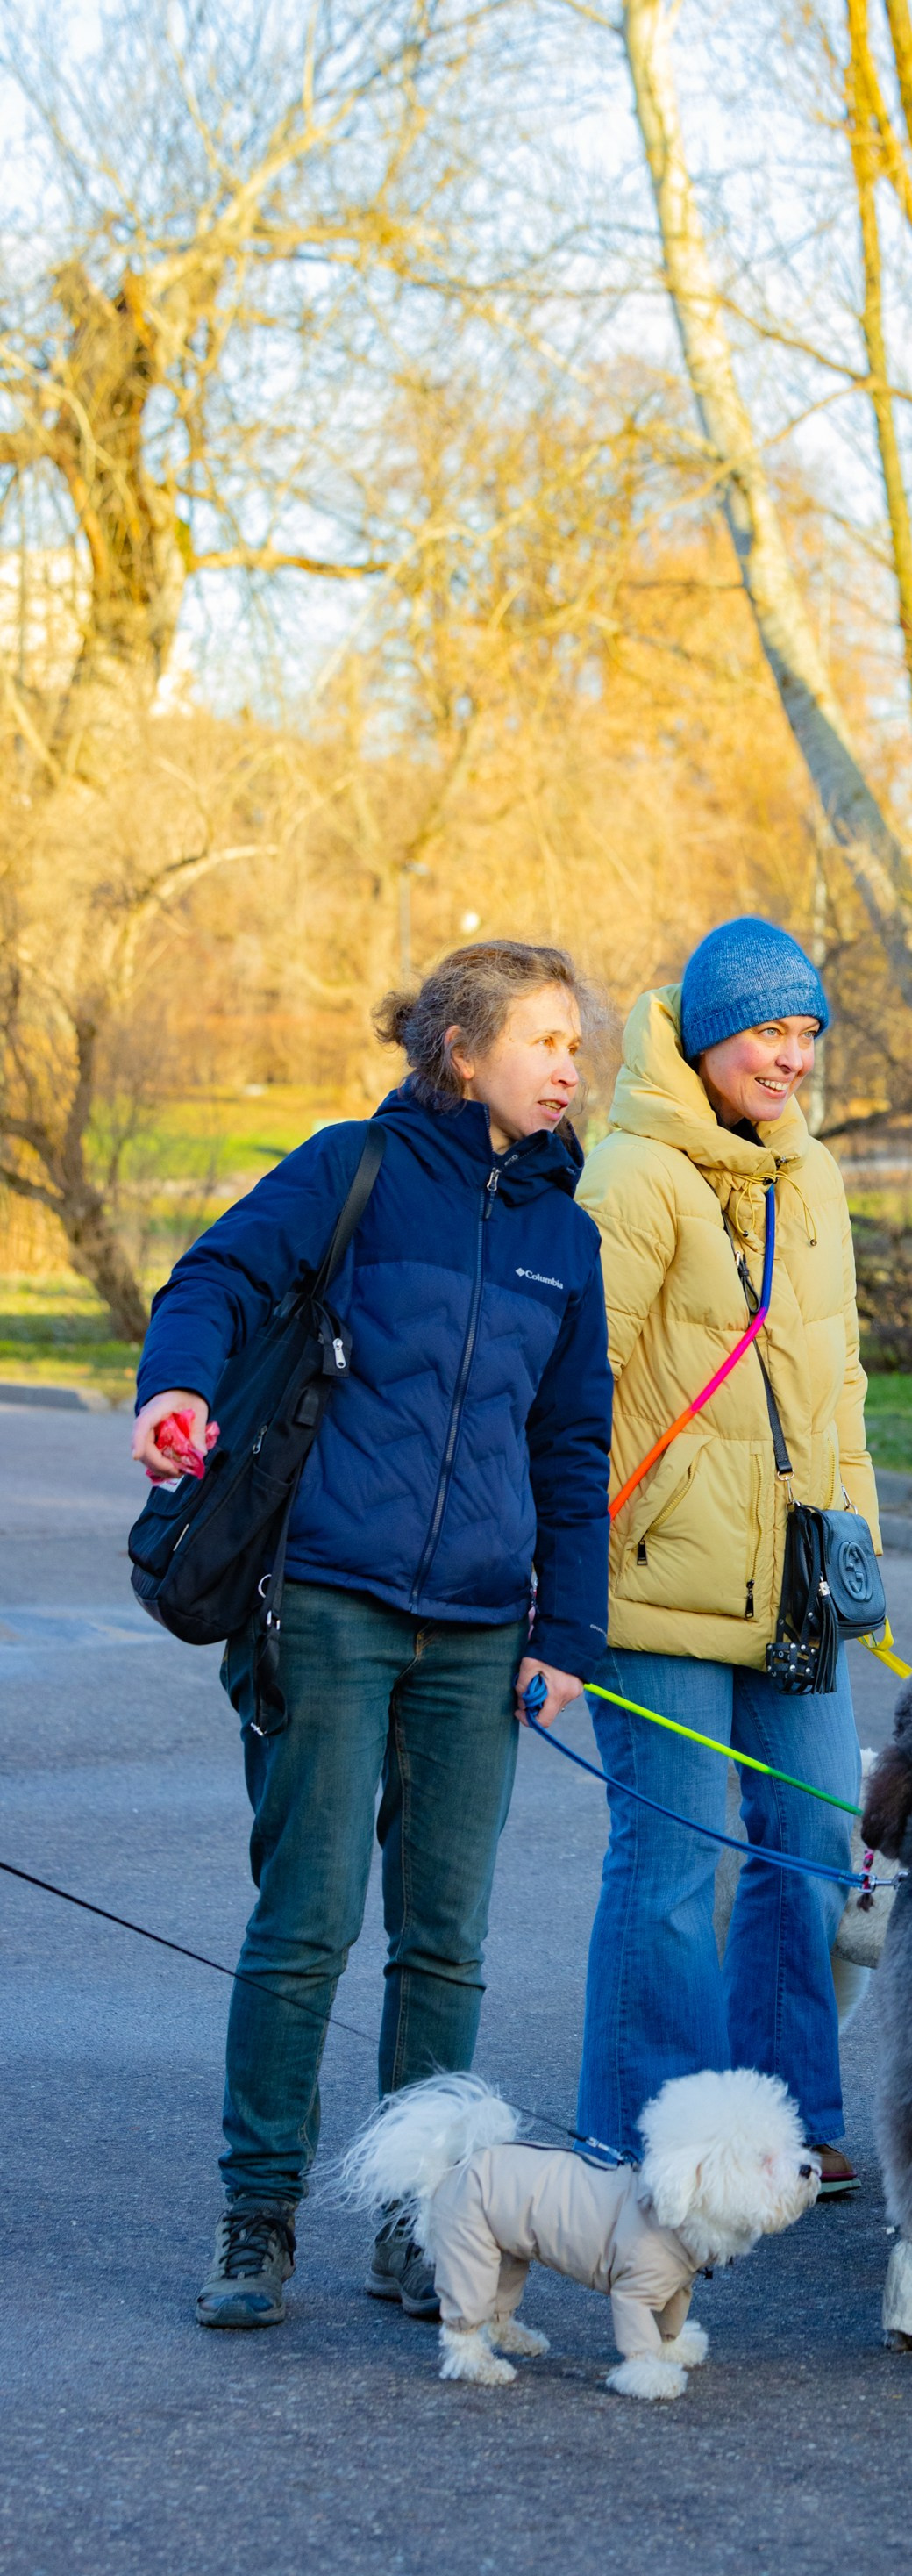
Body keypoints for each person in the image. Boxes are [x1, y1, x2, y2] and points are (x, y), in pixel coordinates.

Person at [132, 943, 613, 2331]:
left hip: (478, 1633)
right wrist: (174, 1394)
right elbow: (214, 1280)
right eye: (542, 1040)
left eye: (577, 1043)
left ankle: (418, 2224)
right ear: (460, 1052)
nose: (570, 1065)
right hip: (329, 1605)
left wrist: (563, 1630)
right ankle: (256, 2216)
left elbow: (572, 1444)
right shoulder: (355, 1169)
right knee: (306, 1926)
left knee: (445, 1945)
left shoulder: (562, 1236)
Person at [574, 917, 880, 2196]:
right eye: (768, 1030)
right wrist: (553, 1571)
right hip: (655, 1585)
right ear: (706, 1035)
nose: (791, 1056)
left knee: (814, 1836)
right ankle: (647, 2138)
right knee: (670, 1860)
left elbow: (837, 1378)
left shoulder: (809, 1177)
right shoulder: (632, 1173)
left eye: (806, 1032)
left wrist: (854, 1532)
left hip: (796, 1579)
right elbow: (569, 1387)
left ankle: (786, 2121)